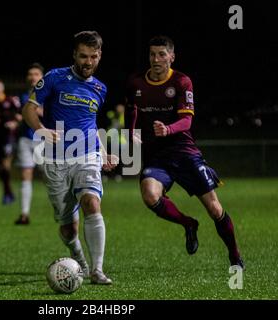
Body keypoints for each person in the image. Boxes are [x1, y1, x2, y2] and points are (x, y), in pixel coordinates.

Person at [125, 35, 244, 269]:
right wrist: (131, 132)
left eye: (161, 54)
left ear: (171, 56)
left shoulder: (181, 81)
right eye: (152, 54)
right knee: (150, 196)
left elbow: (187, 121)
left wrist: (168, 129)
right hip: (156, 155)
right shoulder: (135, 83)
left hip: (184, 153)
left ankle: (235, 256)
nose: (156, 59)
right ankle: (189, 224)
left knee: (215, 209)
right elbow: (131, 110)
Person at [22, 31, 117, 284]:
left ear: (99, 56)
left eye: (93, 57)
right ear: (74, 54)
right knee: (68, 227)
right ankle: (78, 257)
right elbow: (28, 108)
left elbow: (91, 122)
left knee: (91, 202)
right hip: (55, 159)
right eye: (83, 56)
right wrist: (40, 129)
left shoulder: (100, 88)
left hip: (87, 154)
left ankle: (97, 270)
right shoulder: (54, 77)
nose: (88, 62)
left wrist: (104, 150)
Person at [15, 63, 45, 225]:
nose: (32, 77)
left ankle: (61, 211)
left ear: (42, 77)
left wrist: (38, 112)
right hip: (26, 139)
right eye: (30, 74)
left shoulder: (49, 94)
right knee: (25, 176)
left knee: (51, 178)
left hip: (44, 140)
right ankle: (24, 213)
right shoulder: (22, 96)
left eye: (36, 74)